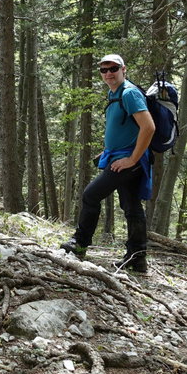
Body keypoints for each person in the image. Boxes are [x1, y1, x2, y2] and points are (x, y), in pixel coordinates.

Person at [61, 54, 154, 274]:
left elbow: (148, 127)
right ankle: (137, 258)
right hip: (119, 157)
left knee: (91, 195)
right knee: (131, 206)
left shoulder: (130, 93)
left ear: (124, 69)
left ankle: (80, 244)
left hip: (130, 160)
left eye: (113, 69)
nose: (108, 74)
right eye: (104, 70)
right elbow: (126, 127)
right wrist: (108, 151)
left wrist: (131, 159)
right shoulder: (115, 93)